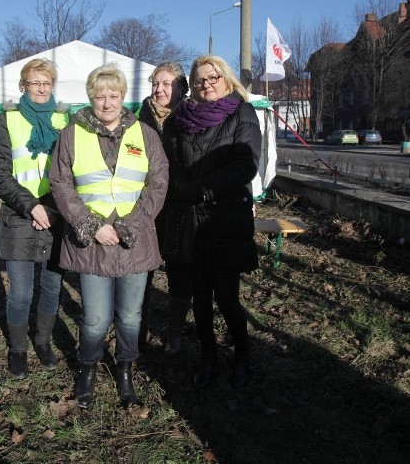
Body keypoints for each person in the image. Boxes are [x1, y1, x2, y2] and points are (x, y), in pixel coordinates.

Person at [49, 63, 169, 408]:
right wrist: (90, 225)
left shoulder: (145, 134)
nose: (107, 101)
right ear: (91, 98)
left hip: (135, 240)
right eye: (100, 95)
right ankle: (87, 369)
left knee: (131, 316)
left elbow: (158, 182)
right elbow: (60, 182)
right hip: (92, 243)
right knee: (96, 317)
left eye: (113, 94)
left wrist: (132, 224)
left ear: (122, 97)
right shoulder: (72, 134)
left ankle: (125, 370)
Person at [161, 55, 261, 389]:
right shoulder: (180, 119)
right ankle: (208, 358)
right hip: (189, 219)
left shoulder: (241, 113)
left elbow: (246, 164)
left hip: (225, 218)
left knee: (228, 298)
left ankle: (243, 357)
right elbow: (170, 162)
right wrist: (179, 187)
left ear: (227, 79)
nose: (208, 84)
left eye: (214, 77)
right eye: (201, 79)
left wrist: (203, 190)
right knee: (200, 299)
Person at [0, 58, 70, 379]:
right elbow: (0, 173)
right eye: (34, 82)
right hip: (18, 216)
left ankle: (43, 341)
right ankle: (19, 349)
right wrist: (31, 207)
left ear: (52, 85)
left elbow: (71, 170)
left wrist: (49, 209)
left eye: (46, 82)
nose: (41, 88)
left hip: (55, 216)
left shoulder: (66, 120)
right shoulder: (7, 120)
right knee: (21, 292)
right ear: (23, 85)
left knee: (52, 288)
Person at [137, 61, 190, 355]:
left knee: (179, 272)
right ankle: (139, 327)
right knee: (140, 271)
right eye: (155, 83)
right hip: (145, 206)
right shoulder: (137, 119)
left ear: (180, 87)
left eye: (166, 83)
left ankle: (174, 332)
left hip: (179, 206)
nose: (159, 89)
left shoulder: (190, 118)